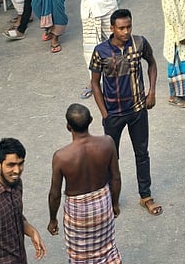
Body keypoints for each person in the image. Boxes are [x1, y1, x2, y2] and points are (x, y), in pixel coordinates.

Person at [89, 8, 162, 217]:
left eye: (129, 26)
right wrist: (104, 113)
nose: (126, 31)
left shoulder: (139, 43)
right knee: (112, 159)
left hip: (138, 110)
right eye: (121, 28)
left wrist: (152, 92)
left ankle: (145, 196)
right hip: (113, 114)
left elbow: (153, 63)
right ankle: (112, 199)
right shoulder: (100, 51)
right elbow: (95, 83)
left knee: (142, 154)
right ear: (112, 29)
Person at [46, 103, 123, 264]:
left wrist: (53, 219)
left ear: (68, 126)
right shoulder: (107, 143)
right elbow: (116, 178)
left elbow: (55, 194)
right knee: (108, 250)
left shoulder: (61, 157)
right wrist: (114, 204)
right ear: (91, 120)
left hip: (77, 212)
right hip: (103, 203)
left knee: (79, 256)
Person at [0, 137, 46, 263]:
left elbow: (16, 217)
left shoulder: (16, 184)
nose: (17, 171)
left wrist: (33, 232)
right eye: (11, 165)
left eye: (20, 164)